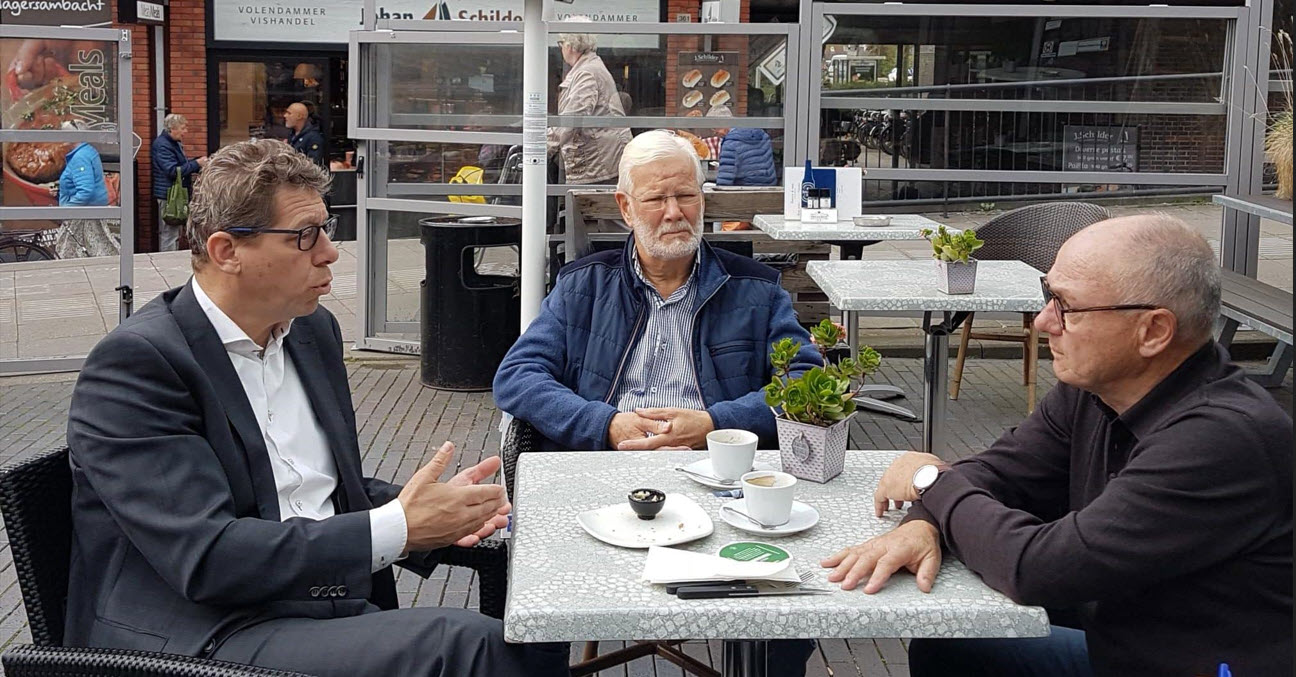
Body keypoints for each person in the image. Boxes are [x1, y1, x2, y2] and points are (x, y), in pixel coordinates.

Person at [66, 139, 570, 677]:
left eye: (326, 228)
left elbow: (317, 489)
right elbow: (207, 556)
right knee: (466, 647)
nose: (330, 251)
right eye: (305, 236)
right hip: (200, 632)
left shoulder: (310, 330)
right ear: (225, 251)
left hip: (313, 600)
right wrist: (402, 526)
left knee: (538, 627)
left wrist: (435, 508)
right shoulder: (138, 364)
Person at [822, 214, 1293, 676]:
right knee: (954, 646)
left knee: (962, 648)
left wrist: (929, 482)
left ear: (1153, 331)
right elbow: (1001, 474)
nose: (1044, 321)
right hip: (1125, 621)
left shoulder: (1221, 440)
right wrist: (923, 523)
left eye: (1066, 306)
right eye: (1048, 296)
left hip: (1183, 660)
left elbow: (1036, 567)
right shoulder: (1098, 387)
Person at [494, 128, 819, 674]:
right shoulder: (582, 286)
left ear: (703, 198)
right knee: (538, 586)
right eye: (656, 198)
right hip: (602, 477)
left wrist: (716, 423)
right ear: (626, 206)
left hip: (725, 481)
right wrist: (606, 423)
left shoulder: (756, 289)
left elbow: (806, 382)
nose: (674, 212)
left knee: (787, 605)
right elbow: (518, 376)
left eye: (686, 195)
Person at [547, 19, 632, 186]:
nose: (561, 48)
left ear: (570, 45)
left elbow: (573, 117)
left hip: (598, 160)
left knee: (587, 209)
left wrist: (544, 145)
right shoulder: (590, 67)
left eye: (561, 43)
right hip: (602, 157)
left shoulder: (586, 72)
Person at [51, 121, 119, 258]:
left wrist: (66, 209)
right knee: (97, 247)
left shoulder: (80, 157)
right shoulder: (87, 151)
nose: (61, 138)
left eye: (65, 134)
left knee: (69, 251)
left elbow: (85, 190)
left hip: (82, 215)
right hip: (88, 211)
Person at [152, 113, 207, 252]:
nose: (185, 132)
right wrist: (196, 164)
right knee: (169, 232)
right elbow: (172, 170)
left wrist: (195, 162)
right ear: (172, 128)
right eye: (182, 128)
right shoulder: (163, 145)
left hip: (173, 194)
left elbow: (178, 166)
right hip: (169, 196)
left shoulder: (172, 143)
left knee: (174, 231)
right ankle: (167, 261)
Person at [285, 102, 326, 166]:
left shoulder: (313, 138)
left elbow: (313, 164)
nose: (285, 116)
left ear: (299, 116)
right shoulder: (292, 135)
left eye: (289, 113)